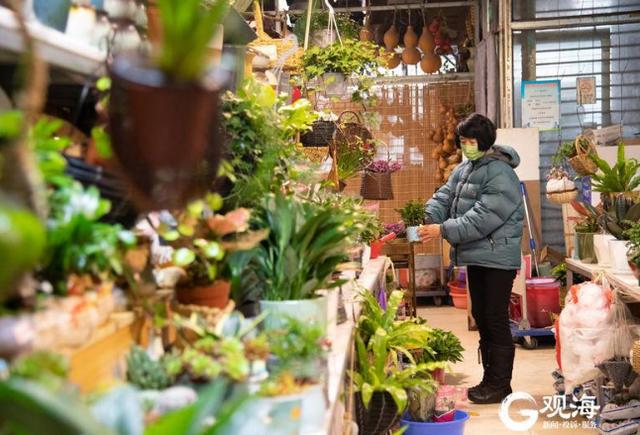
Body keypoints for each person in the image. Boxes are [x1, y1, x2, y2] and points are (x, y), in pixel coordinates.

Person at [419, 113, 524, 404]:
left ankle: (500, 384)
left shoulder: (501, 174)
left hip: (497, 258)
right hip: (479, 255)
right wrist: (429, 215)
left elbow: (481, 219)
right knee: (482, 317)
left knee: (494, 318)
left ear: (485, 141)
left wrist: (442, 229)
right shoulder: (467, 169)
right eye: (463, 141)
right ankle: (490, 380)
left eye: (470, 141)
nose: (465, 146)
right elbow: (445, 195)